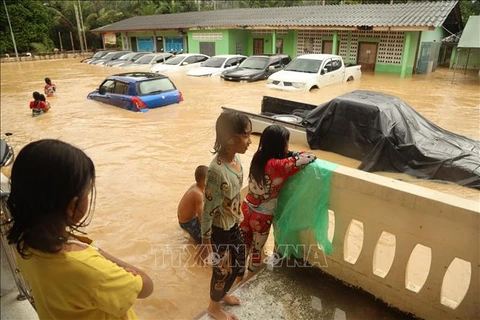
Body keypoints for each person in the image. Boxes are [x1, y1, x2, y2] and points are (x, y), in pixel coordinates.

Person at [6, 139, 154, 319]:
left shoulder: (23, 242)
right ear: (72, 206)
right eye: (87, 192)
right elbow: (146, 286)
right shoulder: (90, 269)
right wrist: (97, 253)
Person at [240, 124, 317, 272]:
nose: (287, 146)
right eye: (286, 142)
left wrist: (286, 153)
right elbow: (308, 157)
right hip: (262, 216)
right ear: (280, 145)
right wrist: (291, 153)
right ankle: (249, 278)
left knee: (243, 245)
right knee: (257, 251)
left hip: (246, 207)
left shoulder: (258, 156)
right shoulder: (279, 165)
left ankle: (238, 275)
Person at [199, 111, 252, 320]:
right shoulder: (216, 171)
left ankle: (223, 295)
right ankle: (213, 307)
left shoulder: (236, 160)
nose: (250, 141)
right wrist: (206, 241)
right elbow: (207, 208)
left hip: (233, 225)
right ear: (230, 139)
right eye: (246, 135)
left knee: (238, 263)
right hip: (220, 230)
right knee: (221, 270)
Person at [177, 165, 208, 244]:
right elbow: (201, 217)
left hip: (183, 217)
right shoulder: (198, 194)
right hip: (187, 222)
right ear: (204, 180)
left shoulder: (196, 186)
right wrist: (206, 233)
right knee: (204, 241)